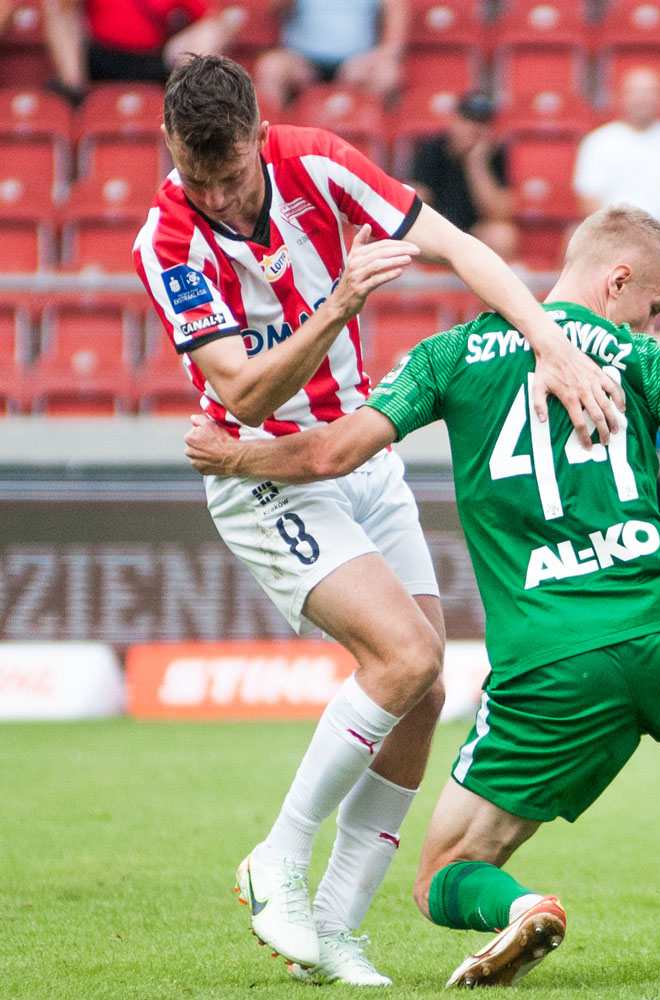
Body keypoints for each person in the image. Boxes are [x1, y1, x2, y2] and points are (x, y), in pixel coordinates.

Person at [183, 204, 660, 986]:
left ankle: (522, 909)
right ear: (618, 279)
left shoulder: (447, 355)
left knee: (444, 871)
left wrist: (237, 457)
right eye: (655, 304)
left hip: (549, 656)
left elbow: (331, 453)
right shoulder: (640, 356)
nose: (654, 320)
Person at [132, 54, 620, 986]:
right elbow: (239, 386)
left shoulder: (318, 160)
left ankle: (339, 925)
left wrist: (549, 343)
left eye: (231, 173)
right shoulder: (166, 241)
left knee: (426, 690)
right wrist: (340, 302)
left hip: (360, 454)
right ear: (169, 148)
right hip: (266, 471)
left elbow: (462, 248)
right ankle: (278, 854)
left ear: (259, 137)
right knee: (403, 657)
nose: (219, 195)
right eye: (199, 177)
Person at [42, 0, 238, 103]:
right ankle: (72, 91)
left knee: (212, 31)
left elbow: (208, 18)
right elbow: (64, 12)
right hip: (100, 58)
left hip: (153, 62)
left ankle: (187, 100)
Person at [407, 89, 519, 260]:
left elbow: (500, 213)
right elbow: (416, 200)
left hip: (473, 232)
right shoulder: (433, 149)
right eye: (469, 120)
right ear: (455, 120)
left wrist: (476, 163)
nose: (475, 129)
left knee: (503, 236)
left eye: (482, 123)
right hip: (436, 230)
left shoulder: (495, 155)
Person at [572, 67, 660, 226]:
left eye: (651, 91)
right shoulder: (598, 141)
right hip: (615, 230)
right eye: (634, 92)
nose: (642, 98)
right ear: (619, 97)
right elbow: (589, 203)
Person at [254, 0, 406, 113]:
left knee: (386, 74)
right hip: (303, 60)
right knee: (271, 67)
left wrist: (376, 57)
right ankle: (269, 146)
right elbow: (275, 9)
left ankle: (370, 144)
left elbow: (394, 36)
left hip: (359, 61)